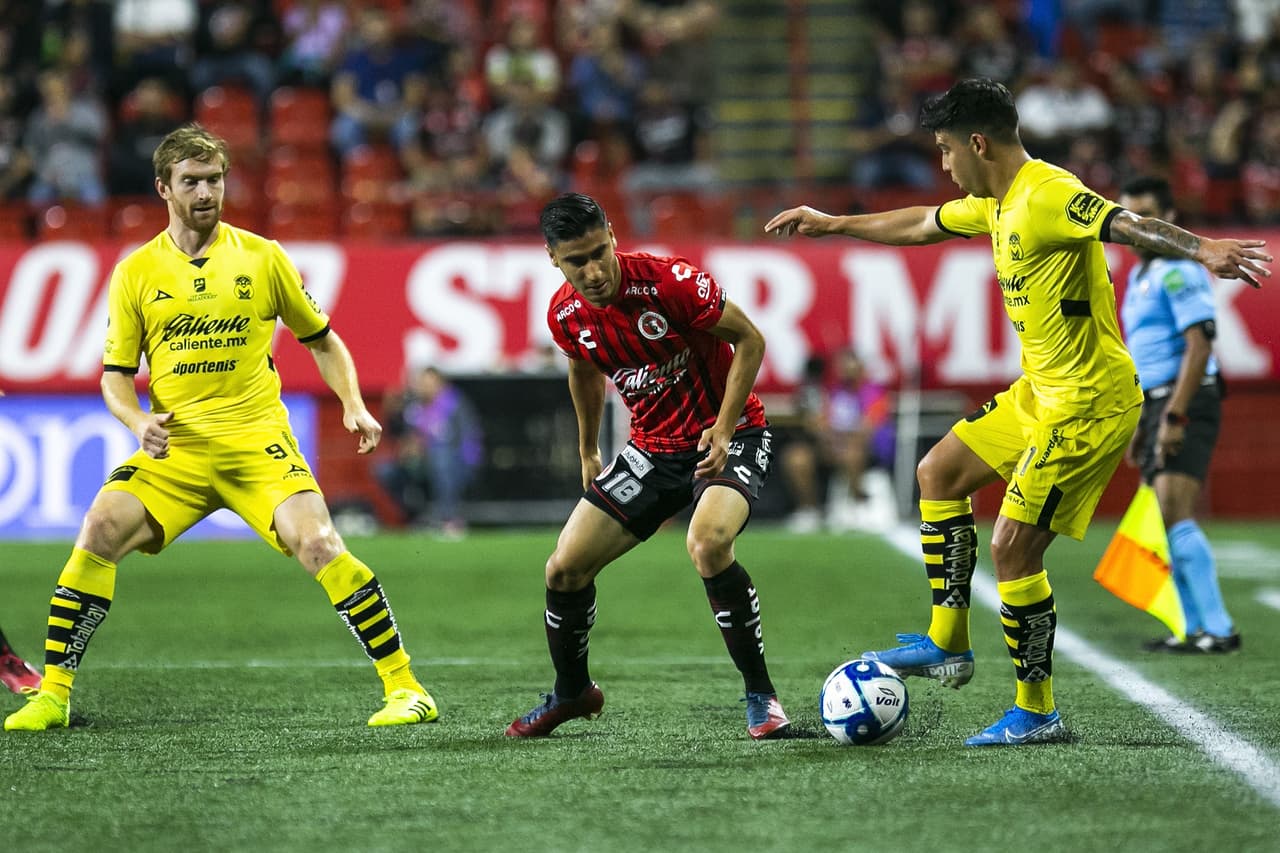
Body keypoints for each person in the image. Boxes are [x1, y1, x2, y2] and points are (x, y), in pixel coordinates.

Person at [765, 77, 1268, 747]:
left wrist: (1202, 247)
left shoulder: (1047, 193)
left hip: (1088, 402)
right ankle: (949, 641)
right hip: (1041, 389)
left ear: (978, 143)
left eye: (947, 150)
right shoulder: (996, 203)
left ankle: (1038, 710)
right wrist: (834, 224)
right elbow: (921, 222)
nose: (944, 166)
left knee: (1011, 547)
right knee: (937, 472)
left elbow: (1125, 221)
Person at [4, 125, 437, 733]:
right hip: (177, 450)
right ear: (164, 188)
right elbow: (115, 376)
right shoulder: (137, 273)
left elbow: (324, 341)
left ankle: (406, 687)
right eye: (192, 182)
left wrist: (354, 404)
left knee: (318, 545)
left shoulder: (262, 257)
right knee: (100, 528)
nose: (206, 192)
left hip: (257, 443)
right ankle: (53, 694)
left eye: (215, 180)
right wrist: (136, 419)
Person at [507, 192, 791, 740]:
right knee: (563, 568)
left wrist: (726, 426)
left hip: (731, 435)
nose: (592, 271)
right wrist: (588, 448)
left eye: (598, 252)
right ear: (552, 259)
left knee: (707, 544)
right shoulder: (565, 316)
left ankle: (761, 693)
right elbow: (585, 373)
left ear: (613, 235)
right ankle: (572, 693)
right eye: (576, 261)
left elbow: (750, 339)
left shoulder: (670, 283)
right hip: (653, 450)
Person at [1117, 176, 1240, 653]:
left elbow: (1199, 344)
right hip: (1155, 403)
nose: (1138, 229)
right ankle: (1190, 627)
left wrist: (1175, 416)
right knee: (1163, 518)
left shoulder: (1179, 271)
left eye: (1147, 217)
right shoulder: (1141, 275)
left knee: (1175, 510)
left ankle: (1218, 627)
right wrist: (1141, 421)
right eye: (1132, 219)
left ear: (1168, 218)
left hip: (1184, 399)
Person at [376, 365, 483, 536]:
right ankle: (416, 516)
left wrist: (425, 447)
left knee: (441, 458)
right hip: (421, 465)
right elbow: (398, 435)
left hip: (457, 465)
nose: (425, 387)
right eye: (422, 382)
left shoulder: (454, 405)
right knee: (384, 469)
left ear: (440, 384)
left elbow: (461, 441)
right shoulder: (413, 406)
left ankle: (448, 518)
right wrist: (392, 415)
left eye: (429, 382)